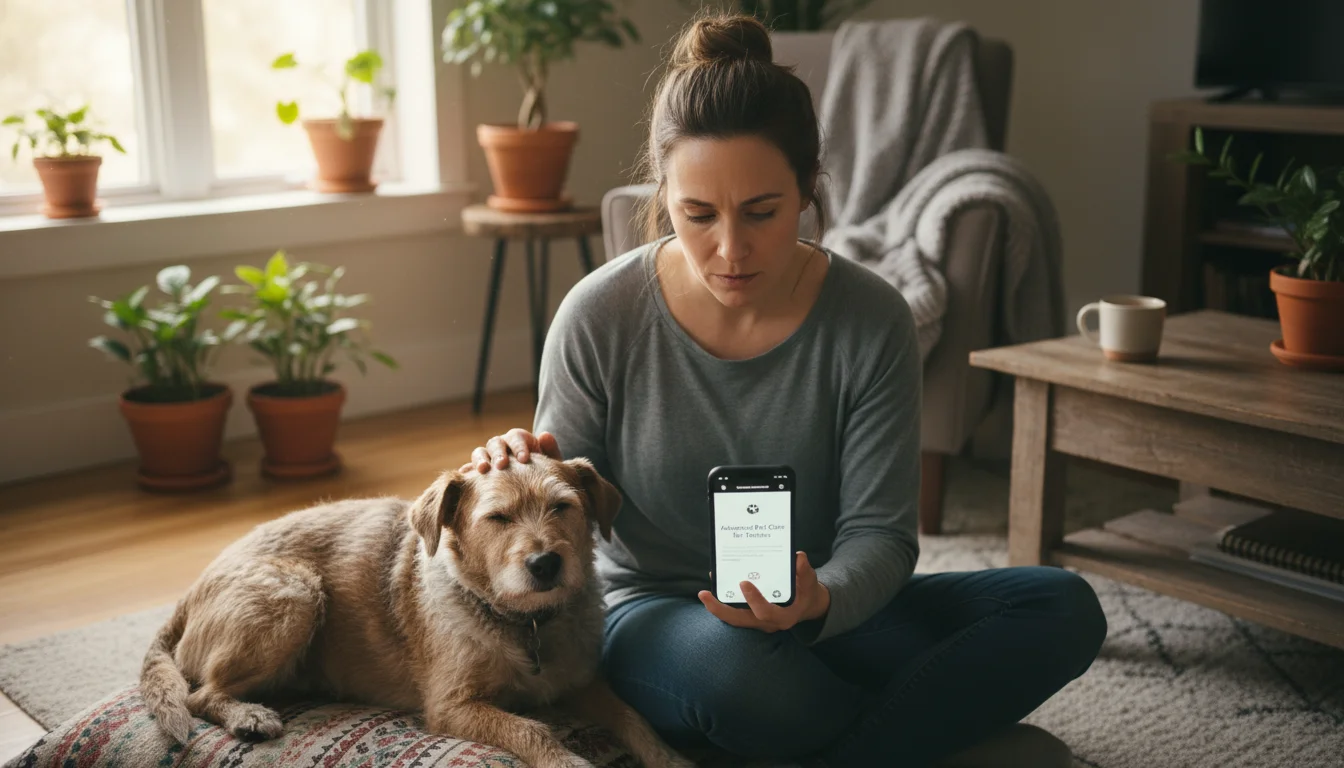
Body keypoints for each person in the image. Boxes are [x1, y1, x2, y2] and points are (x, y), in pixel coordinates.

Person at [463, 12, 1105, 767]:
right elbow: (563, 501)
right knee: (743, 678)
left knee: (1059, 609)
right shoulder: (599, 315)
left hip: (822, 614)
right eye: (697, 214)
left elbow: (882, 535)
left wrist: (819, 603)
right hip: (663, 612)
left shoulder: (871, 318)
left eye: (762, 212)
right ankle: (933, 736)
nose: (730, 250)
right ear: (662, 193)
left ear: (806, 189)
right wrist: (525, 464)